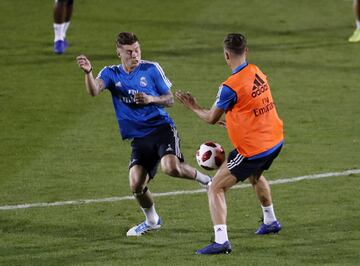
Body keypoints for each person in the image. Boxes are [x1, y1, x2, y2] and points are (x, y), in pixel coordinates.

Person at [76, 32, 212, 237]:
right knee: (136, 185)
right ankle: (152, 220)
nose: (135, 55)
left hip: (161, 128)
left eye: (137, 50)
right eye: (129, 52)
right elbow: (95, 91)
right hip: (139, 138)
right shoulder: (111, 73)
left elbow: (169, 100)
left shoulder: (151, 69)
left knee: (170, 168)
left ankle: (206, 181)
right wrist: (88, 73)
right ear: (119, 53)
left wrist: (150, 99)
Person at [176, 33, 284, 255]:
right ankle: (271, 220)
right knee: (255, 176)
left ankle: (221, 240)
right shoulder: (257, 72)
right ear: (247, 50)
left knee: (215, 187)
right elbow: (256, 106)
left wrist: (192, 106)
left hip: (253, 149)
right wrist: (237, 123)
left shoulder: (229, 86)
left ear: (226, 55)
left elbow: (211, 118)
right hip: (274, 140)